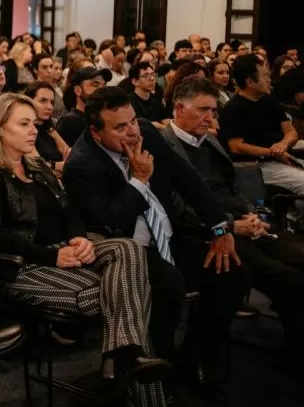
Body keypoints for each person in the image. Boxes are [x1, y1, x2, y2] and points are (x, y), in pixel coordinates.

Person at [0, 94, 168, 402]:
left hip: (63, 252)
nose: (34, 130)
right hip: (20, 266)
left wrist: (79, 238)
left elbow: (70, 210)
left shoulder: (38, 167)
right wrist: (53, 256)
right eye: (24, 124)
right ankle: (143, 387)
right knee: (133, 291)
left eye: (34, 123)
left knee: (128, 249)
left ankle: (125, 358)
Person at [62, 87, 246, 401]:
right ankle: (160, 363)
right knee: (169, 284)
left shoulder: (145, 132)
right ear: (95, 131)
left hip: (166, 235)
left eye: (132, 121)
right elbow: (112, 223)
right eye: (120, 127)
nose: (132, 131)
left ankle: (190, 358)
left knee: (233, 273)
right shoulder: (81, 165)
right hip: (126, 251)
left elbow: (186, 178)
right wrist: (139, 181)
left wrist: (219, 228)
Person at [163, 78, 304, 365]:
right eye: (203, 110)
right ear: (179, 108)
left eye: (213, 111)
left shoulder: (210, 141)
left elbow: (233, 188)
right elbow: (177, 207)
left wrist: (253, 214)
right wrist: (230, 224)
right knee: (285, 277)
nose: (210, 118)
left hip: (242, 221)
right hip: (207, 231)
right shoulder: (165, 146)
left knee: (299, 257)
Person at [221, 53, 304, 197]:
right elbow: (236, 146)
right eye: (265, 76)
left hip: (281, 156)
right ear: (250, 82)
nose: (269, 79)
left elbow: (291, 132)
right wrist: (272, 152)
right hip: (257, 165)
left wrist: (283, 145)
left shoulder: (270, 101)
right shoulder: (233, 108)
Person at [23, 82, 70, 176]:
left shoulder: (49, 128)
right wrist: (55, 166)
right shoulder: (26, 130)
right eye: (43, 100)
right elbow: (36, 166)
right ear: (29, 101)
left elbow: (68, 155)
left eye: (52, 102)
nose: (49, 107)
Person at [55, 67, 111, 146]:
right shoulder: (70, 122)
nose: (101, 89)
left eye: (104, 85)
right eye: (95, 84)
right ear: (78, 90)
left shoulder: (103, 118)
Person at [128, 62, 166, 127]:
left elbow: (163, 119)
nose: (152, 78)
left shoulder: (156, 101)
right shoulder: (129, 103)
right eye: (146, 76)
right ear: (135, 81)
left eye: (153, 74)